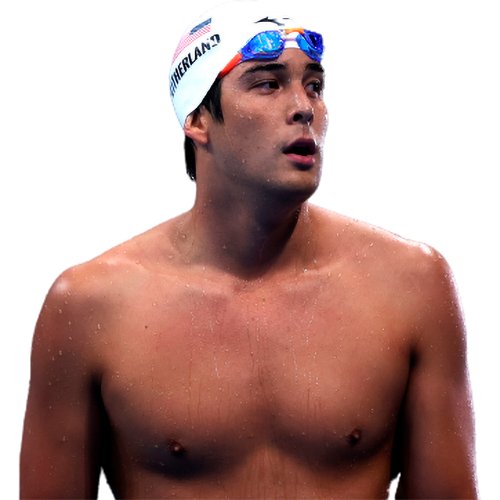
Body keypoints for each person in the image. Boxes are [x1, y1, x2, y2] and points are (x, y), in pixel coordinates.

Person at [20, 2, 478, 499]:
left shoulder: (409, 285)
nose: (303, 106)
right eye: (268, 84)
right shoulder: (93, 306)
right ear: (198, 119)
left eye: (313, 85)